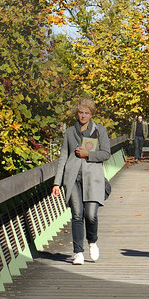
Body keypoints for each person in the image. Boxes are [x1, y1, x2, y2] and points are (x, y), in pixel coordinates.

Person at [51, 99, 112, 265]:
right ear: (77, 114)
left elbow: (106, 153)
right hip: (72, 178)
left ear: (91, 114)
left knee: (91, 215)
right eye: (80, 112)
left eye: (86, 113)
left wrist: (88, 154)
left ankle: (92, 241)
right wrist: (57, 183)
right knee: (77, 214)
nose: (83, 116)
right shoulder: (70, 132)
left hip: (93, 178)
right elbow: (63, 157)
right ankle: (78, 252)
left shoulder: (99, 130)